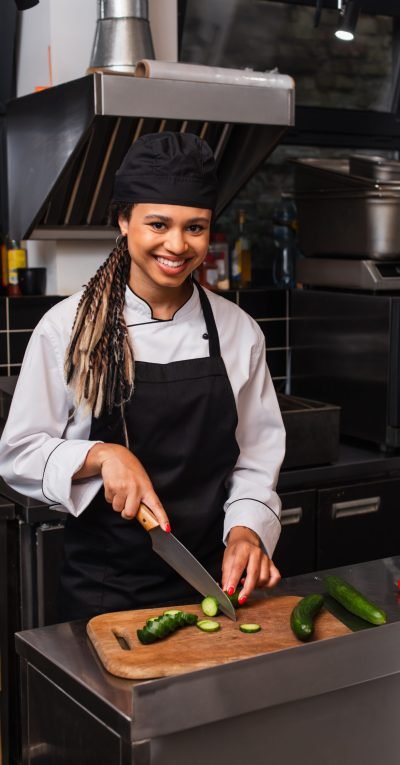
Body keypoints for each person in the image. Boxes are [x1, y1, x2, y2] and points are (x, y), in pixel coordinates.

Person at [0, 131, 285, 621]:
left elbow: (257, 459)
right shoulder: (67, 328)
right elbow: (18, 453)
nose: (177, 245)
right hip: (106, 595)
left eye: (194, 228)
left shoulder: (239, 332)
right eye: (158, 224)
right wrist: (101, 455)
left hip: (215, 584)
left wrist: (248, 529)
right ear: (124, 221)